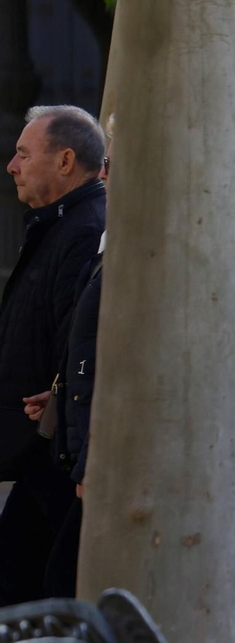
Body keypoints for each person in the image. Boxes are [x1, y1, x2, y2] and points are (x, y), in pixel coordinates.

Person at [0, 105, 106, 605]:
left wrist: (59, 396)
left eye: (23, 154)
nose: (12, 166)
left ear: (65, 161)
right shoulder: (56, 224)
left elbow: (80, 339)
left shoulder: (84, 229)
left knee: (40, 588)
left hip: (56, 450)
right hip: (44, 444)